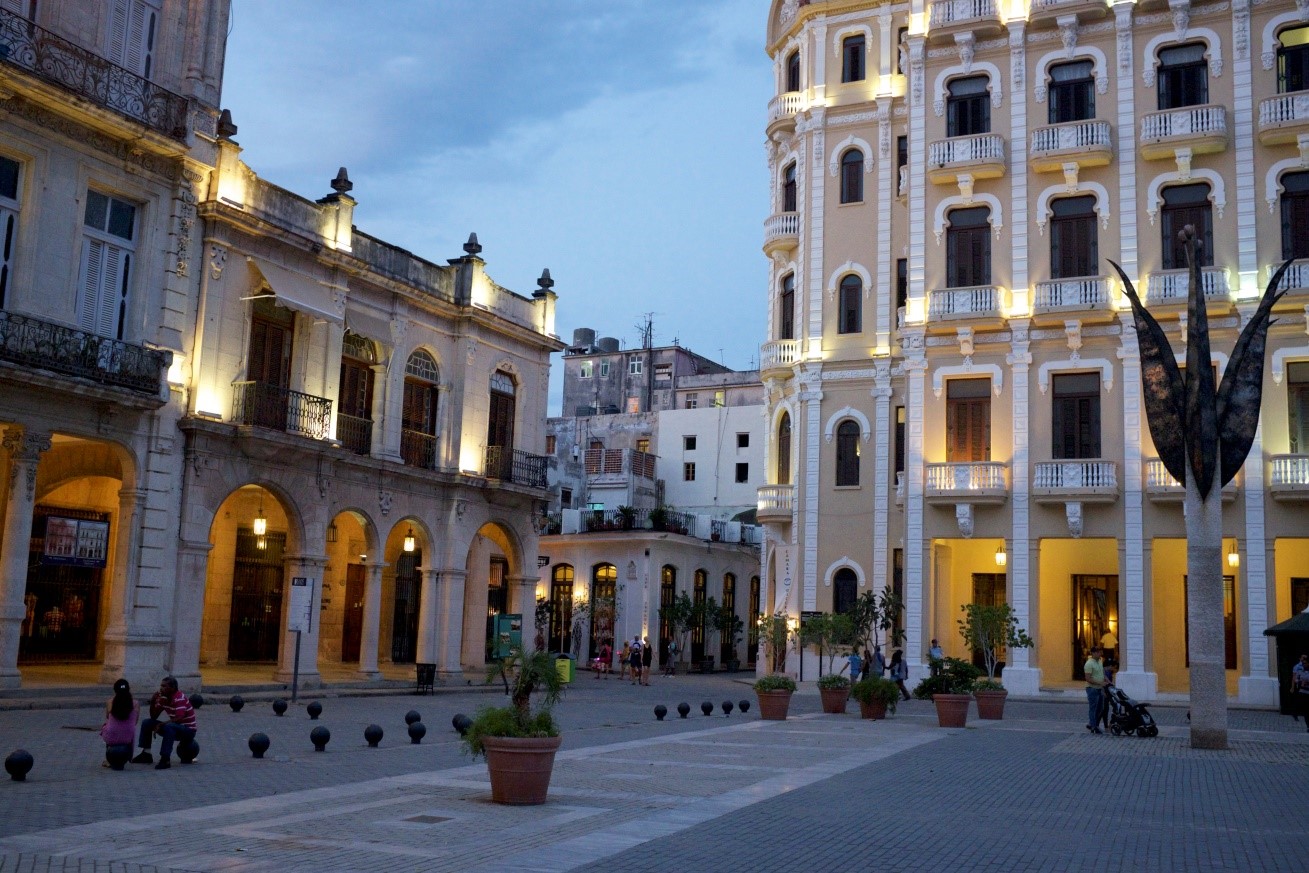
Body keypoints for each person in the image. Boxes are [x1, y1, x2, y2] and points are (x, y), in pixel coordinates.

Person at [132, 675, 196, 770]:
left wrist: (162, 724)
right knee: (147, 723)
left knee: (169, 727)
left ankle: (165, 759)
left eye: (164, 686)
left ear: (172, 688)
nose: (161, 688)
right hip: (175, 727)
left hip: (188, 730)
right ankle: (146, 753)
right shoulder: (164, 698)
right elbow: (154, 716)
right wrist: (153, 701)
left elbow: (179, 718)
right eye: (161, 686)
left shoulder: (179, 698)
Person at [100, 678, 138, 770]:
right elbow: (135, 721)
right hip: (127, 737)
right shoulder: (135, 703)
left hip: (111, 737)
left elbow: (108, 717)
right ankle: (129, 756)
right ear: (128, 689)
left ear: (115, 690)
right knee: (130, 730)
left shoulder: (110, 702)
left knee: (106, 727)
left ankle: (108, 760)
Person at [1084, 645, 1107, 734]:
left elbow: (1102, 673)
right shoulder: (1089, 664)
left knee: (1100, 708)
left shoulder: (1100, 661)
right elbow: (1088, 678)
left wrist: (1107, 681)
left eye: (1100, 652)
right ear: (1093, 653)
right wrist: (1099, 683)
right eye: (1097, 652)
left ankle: (1093, 723)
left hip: (1099, 688)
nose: (1099, 654)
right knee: (1093, 708)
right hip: (1092, 688)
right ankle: (1094, 726)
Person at [1293, 654, 1309, 731]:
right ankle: (1308, 726)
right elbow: (1296, 679)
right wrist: (1299, 682)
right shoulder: (1300, 670)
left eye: (1305, 663)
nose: (1304, 665)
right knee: (1305, 710)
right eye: (1303, 663)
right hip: (1302, 691)